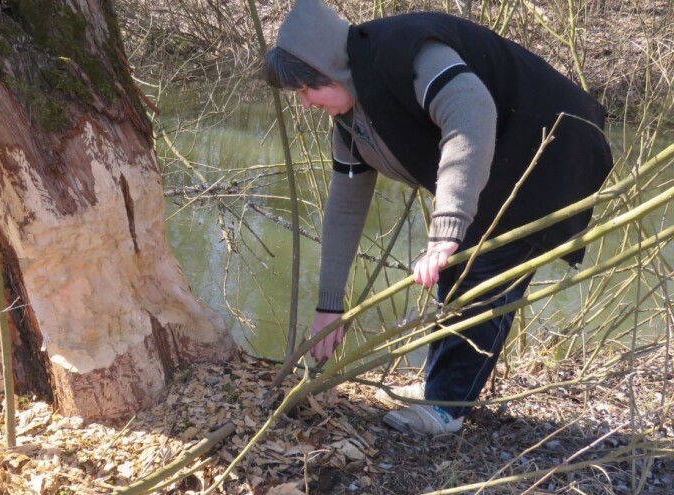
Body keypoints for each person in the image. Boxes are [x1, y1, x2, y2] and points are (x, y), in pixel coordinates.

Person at [263, 0, 613, 435]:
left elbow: (471, 114)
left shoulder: (403, 52)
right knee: (458, 268)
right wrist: (328, 305)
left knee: (482, 274)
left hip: (551, 149)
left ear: (329, 68)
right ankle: (440, 386)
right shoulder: (353, 122)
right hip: (498, 166)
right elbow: (345, 205)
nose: (304, 104)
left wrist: (448, 225)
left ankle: (447, 407)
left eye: (305, 90)